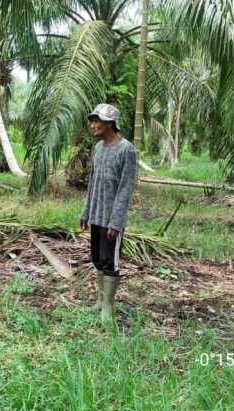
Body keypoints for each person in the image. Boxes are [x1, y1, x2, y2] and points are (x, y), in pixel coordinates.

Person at [78, 103, 139, 323]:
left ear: (110, 123)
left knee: (110, 262)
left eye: (97, 121)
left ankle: (108, 307)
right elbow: (92, 183)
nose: (93, 125)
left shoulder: (127, 150)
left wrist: (116, 221)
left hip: (113, 218)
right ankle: (99, 301)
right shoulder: (99, 149)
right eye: (92, 121)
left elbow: (126, 188)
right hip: (96, 214)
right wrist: (85, 212)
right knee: (97, 258)